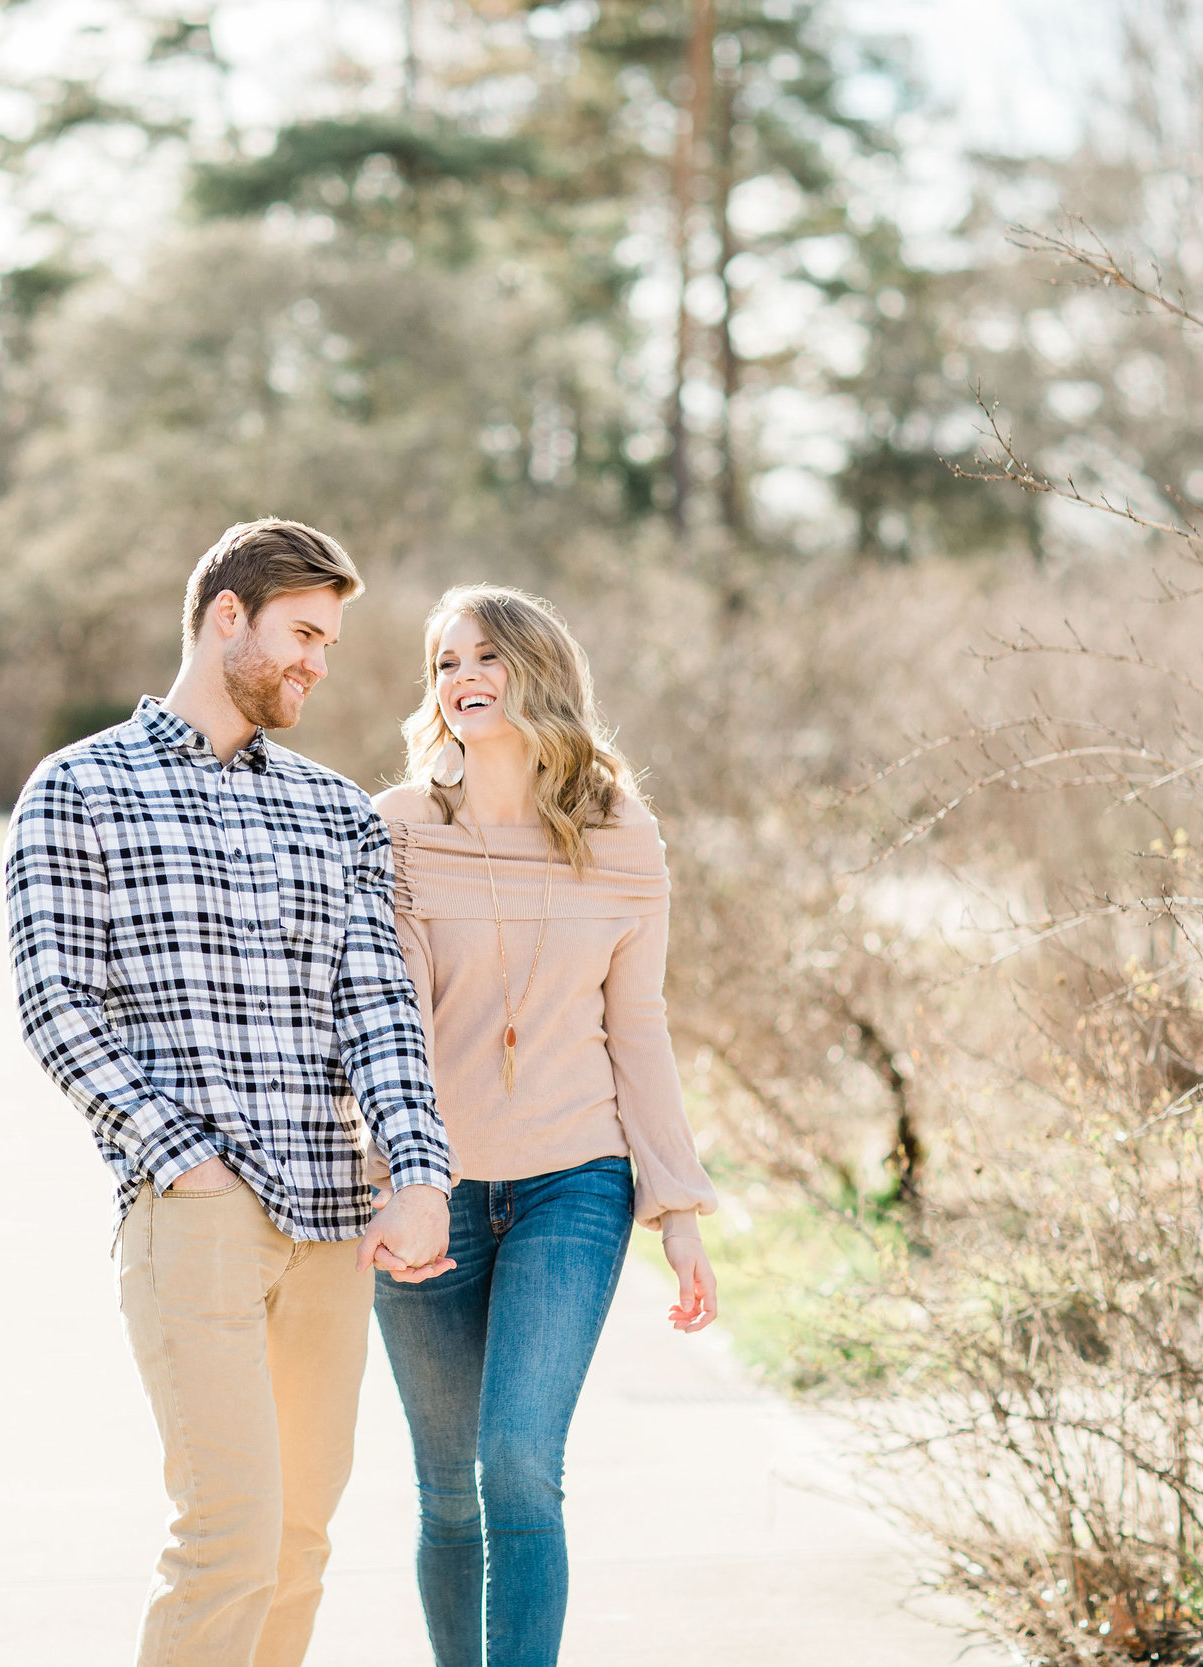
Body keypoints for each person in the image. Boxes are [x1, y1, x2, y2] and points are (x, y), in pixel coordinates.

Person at [4, 518, 458, 1667]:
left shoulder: (336, 810)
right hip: (194, 1210)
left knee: (299, 1539)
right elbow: (59, 1008)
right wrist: (185, 1159)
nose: (318, 659)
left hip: (332, 1219)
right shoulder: (79, 789)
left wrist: (417, 1171)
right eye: (302, 631)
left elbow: (382, 1013)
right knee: (229, 1534)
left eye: (329, 640)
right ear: (226, 616)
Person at [369, 584, 721, 1667]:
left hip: (576, 1179)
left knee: (517, 1459)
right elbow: (378, 1025)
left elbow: (639, 1027)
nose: (462, 675)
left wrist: (676, 1208)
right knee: (447, 1490)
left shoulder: (622, 838)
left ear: (539, 673)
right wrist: (389, 1173)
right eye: (444, 661)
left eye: (487, 655)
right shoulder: (398, 831)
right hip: (433, 1184)